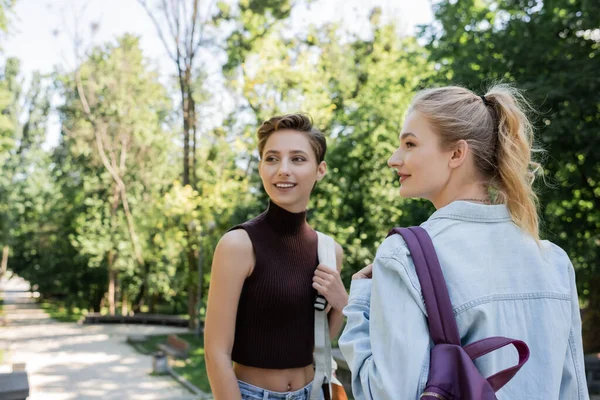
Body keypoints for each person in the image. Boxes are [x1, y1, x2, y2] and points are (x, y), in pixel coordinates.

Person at [339, 84, 589, 399]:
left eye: (410, 144)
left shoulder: (404, 256)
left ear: (457, 153)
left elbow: (389, 393)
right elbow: (573, 390)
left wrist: (360, 306)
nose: (394, 158)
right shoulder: (553, 260)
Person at [205, 113, 348, 400]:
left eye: (297, 159)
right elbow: (215, 353)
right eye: (272, 159)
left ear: (320, 170)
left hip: (313, 392)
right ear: (260, 167)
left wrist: (342, 302)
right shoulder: (238, 245)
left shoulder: (330, 250)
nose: (283, 170)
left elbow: (321, 338)